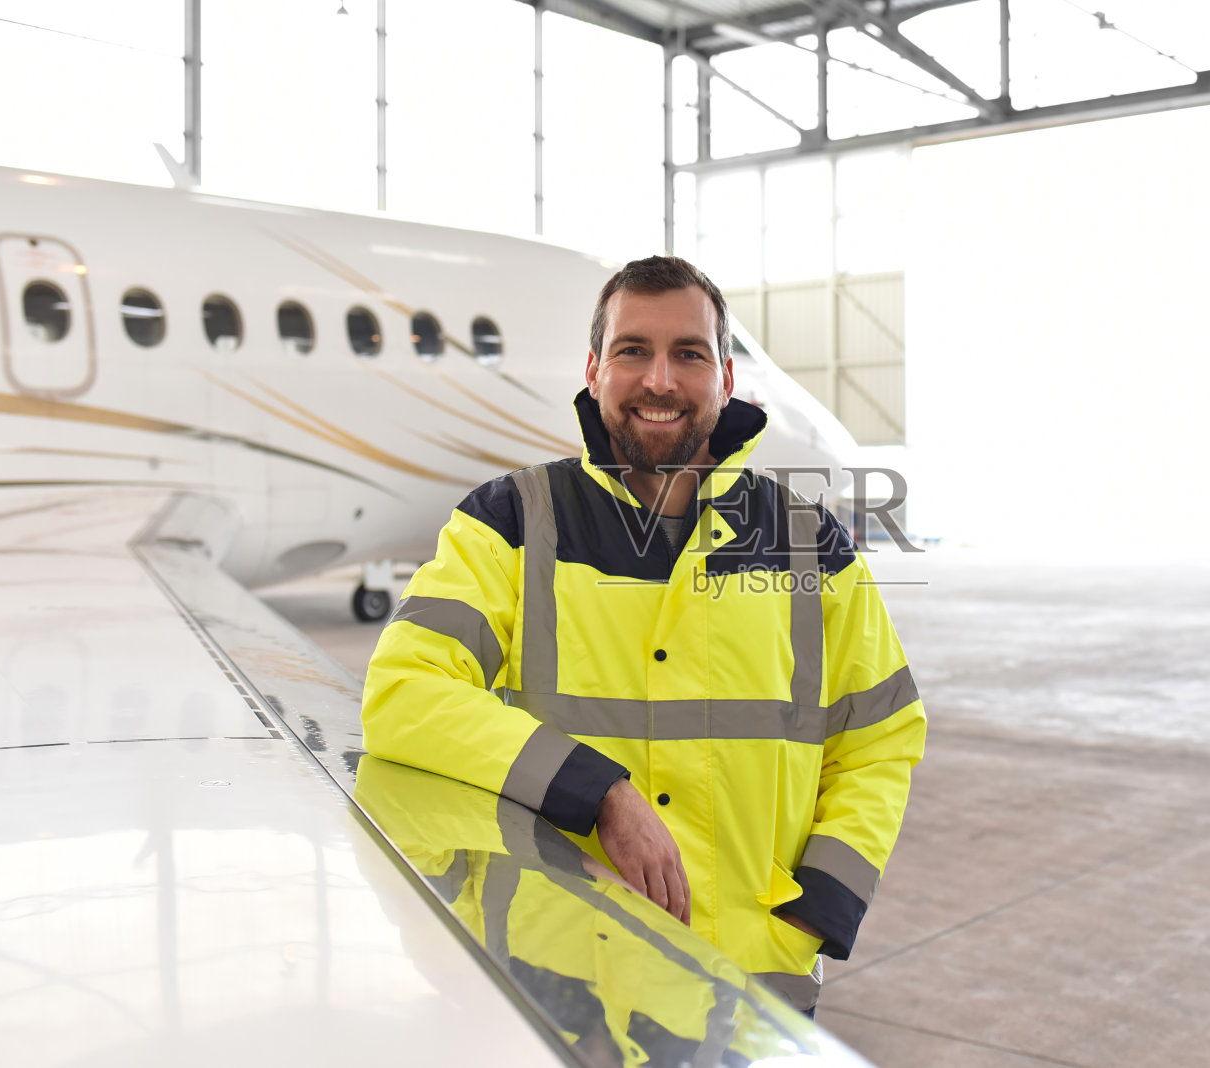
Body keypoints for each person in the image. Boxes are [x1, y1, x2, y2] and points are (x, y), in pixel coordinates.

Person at [360, 254, 925, 1014]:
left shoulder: (806, 540)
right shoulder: (512, 520)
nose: (660, 380)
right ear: (595, 370)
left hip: (753, 981)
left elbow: (880, 734)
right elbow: (405, 693)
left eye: (688, 354)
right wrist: (598, 793)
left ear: (726, 378)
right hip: (566, 980)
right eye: (634, 351)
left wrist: (824, 899)